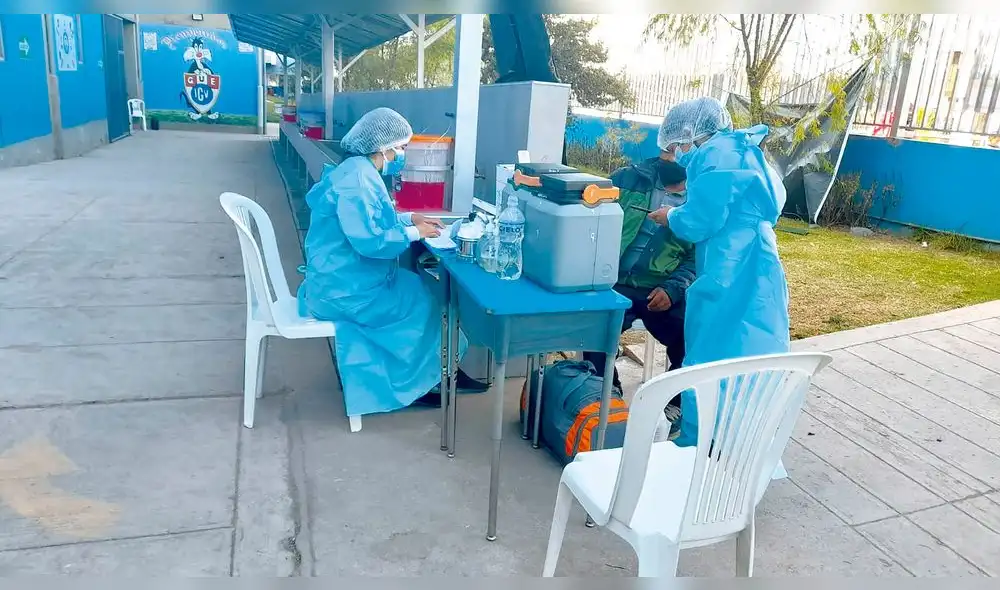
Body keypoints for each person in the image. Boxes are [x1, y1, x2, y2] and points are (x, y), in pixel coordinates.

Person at [297, 107, 487, 419]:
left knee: (419, 288)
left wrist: (409, 218)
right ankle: (418, 382)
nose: (401, 154)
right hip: (347, 292)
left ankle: (441, 370)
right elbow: (371, 241)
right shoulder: (358, 180)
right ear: (382, 147)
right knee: (426, 305)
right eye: (400, 147)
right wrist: (414, 232)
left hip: (342, 280)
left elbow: (372, 219)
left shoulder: (356, 170)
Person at [646, 96, 791, 448]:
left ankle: (701, 442)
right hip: (761, 262)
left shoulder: (714, 156)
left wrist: (672, 217)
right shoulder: (746, 150)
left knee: (710, 354)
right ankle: (744, 443)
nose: (677, 153)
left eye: (678, 144)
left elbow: (701, 220)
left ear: (692, 133)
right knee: (754, 351)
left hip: (729, 264)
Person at [582, 155, 694, 431]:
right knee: (595, 328)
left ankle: (672, 401)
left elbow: (699, 257)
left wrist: (673, 288)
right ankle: (609, 395)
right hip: (613, 281)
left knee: (692, 335)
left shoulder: (702, 196)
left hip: (663, 287)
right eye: (669, 147)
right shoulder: (628, 179)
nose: (673, 153)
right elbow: (593, 222)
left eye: (681, 147)